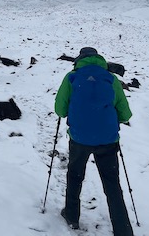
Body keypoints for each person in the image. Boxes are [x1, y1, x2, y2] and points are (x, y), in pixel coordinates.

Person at [54, 47, 134, 236]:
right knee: (112, 184)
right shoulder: (111, 79)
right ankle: (123, 229)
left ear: (79, 59)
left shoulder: (72, 77)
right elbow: (125, 114)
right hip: (108, 140)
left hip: (79, 138)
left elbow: (60, 109)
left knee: (75, 176)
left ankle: (72, 215)